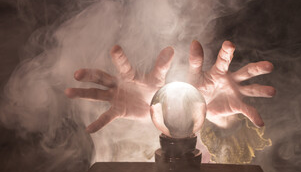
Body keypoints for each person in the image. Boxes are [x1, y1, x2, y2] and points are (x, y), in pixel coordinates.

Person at [65, 40, 276, 133]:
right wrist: (140, 101)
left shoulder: (237, 22)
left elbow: (232, 131)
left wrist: (223, 116)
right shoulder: (133, 27)